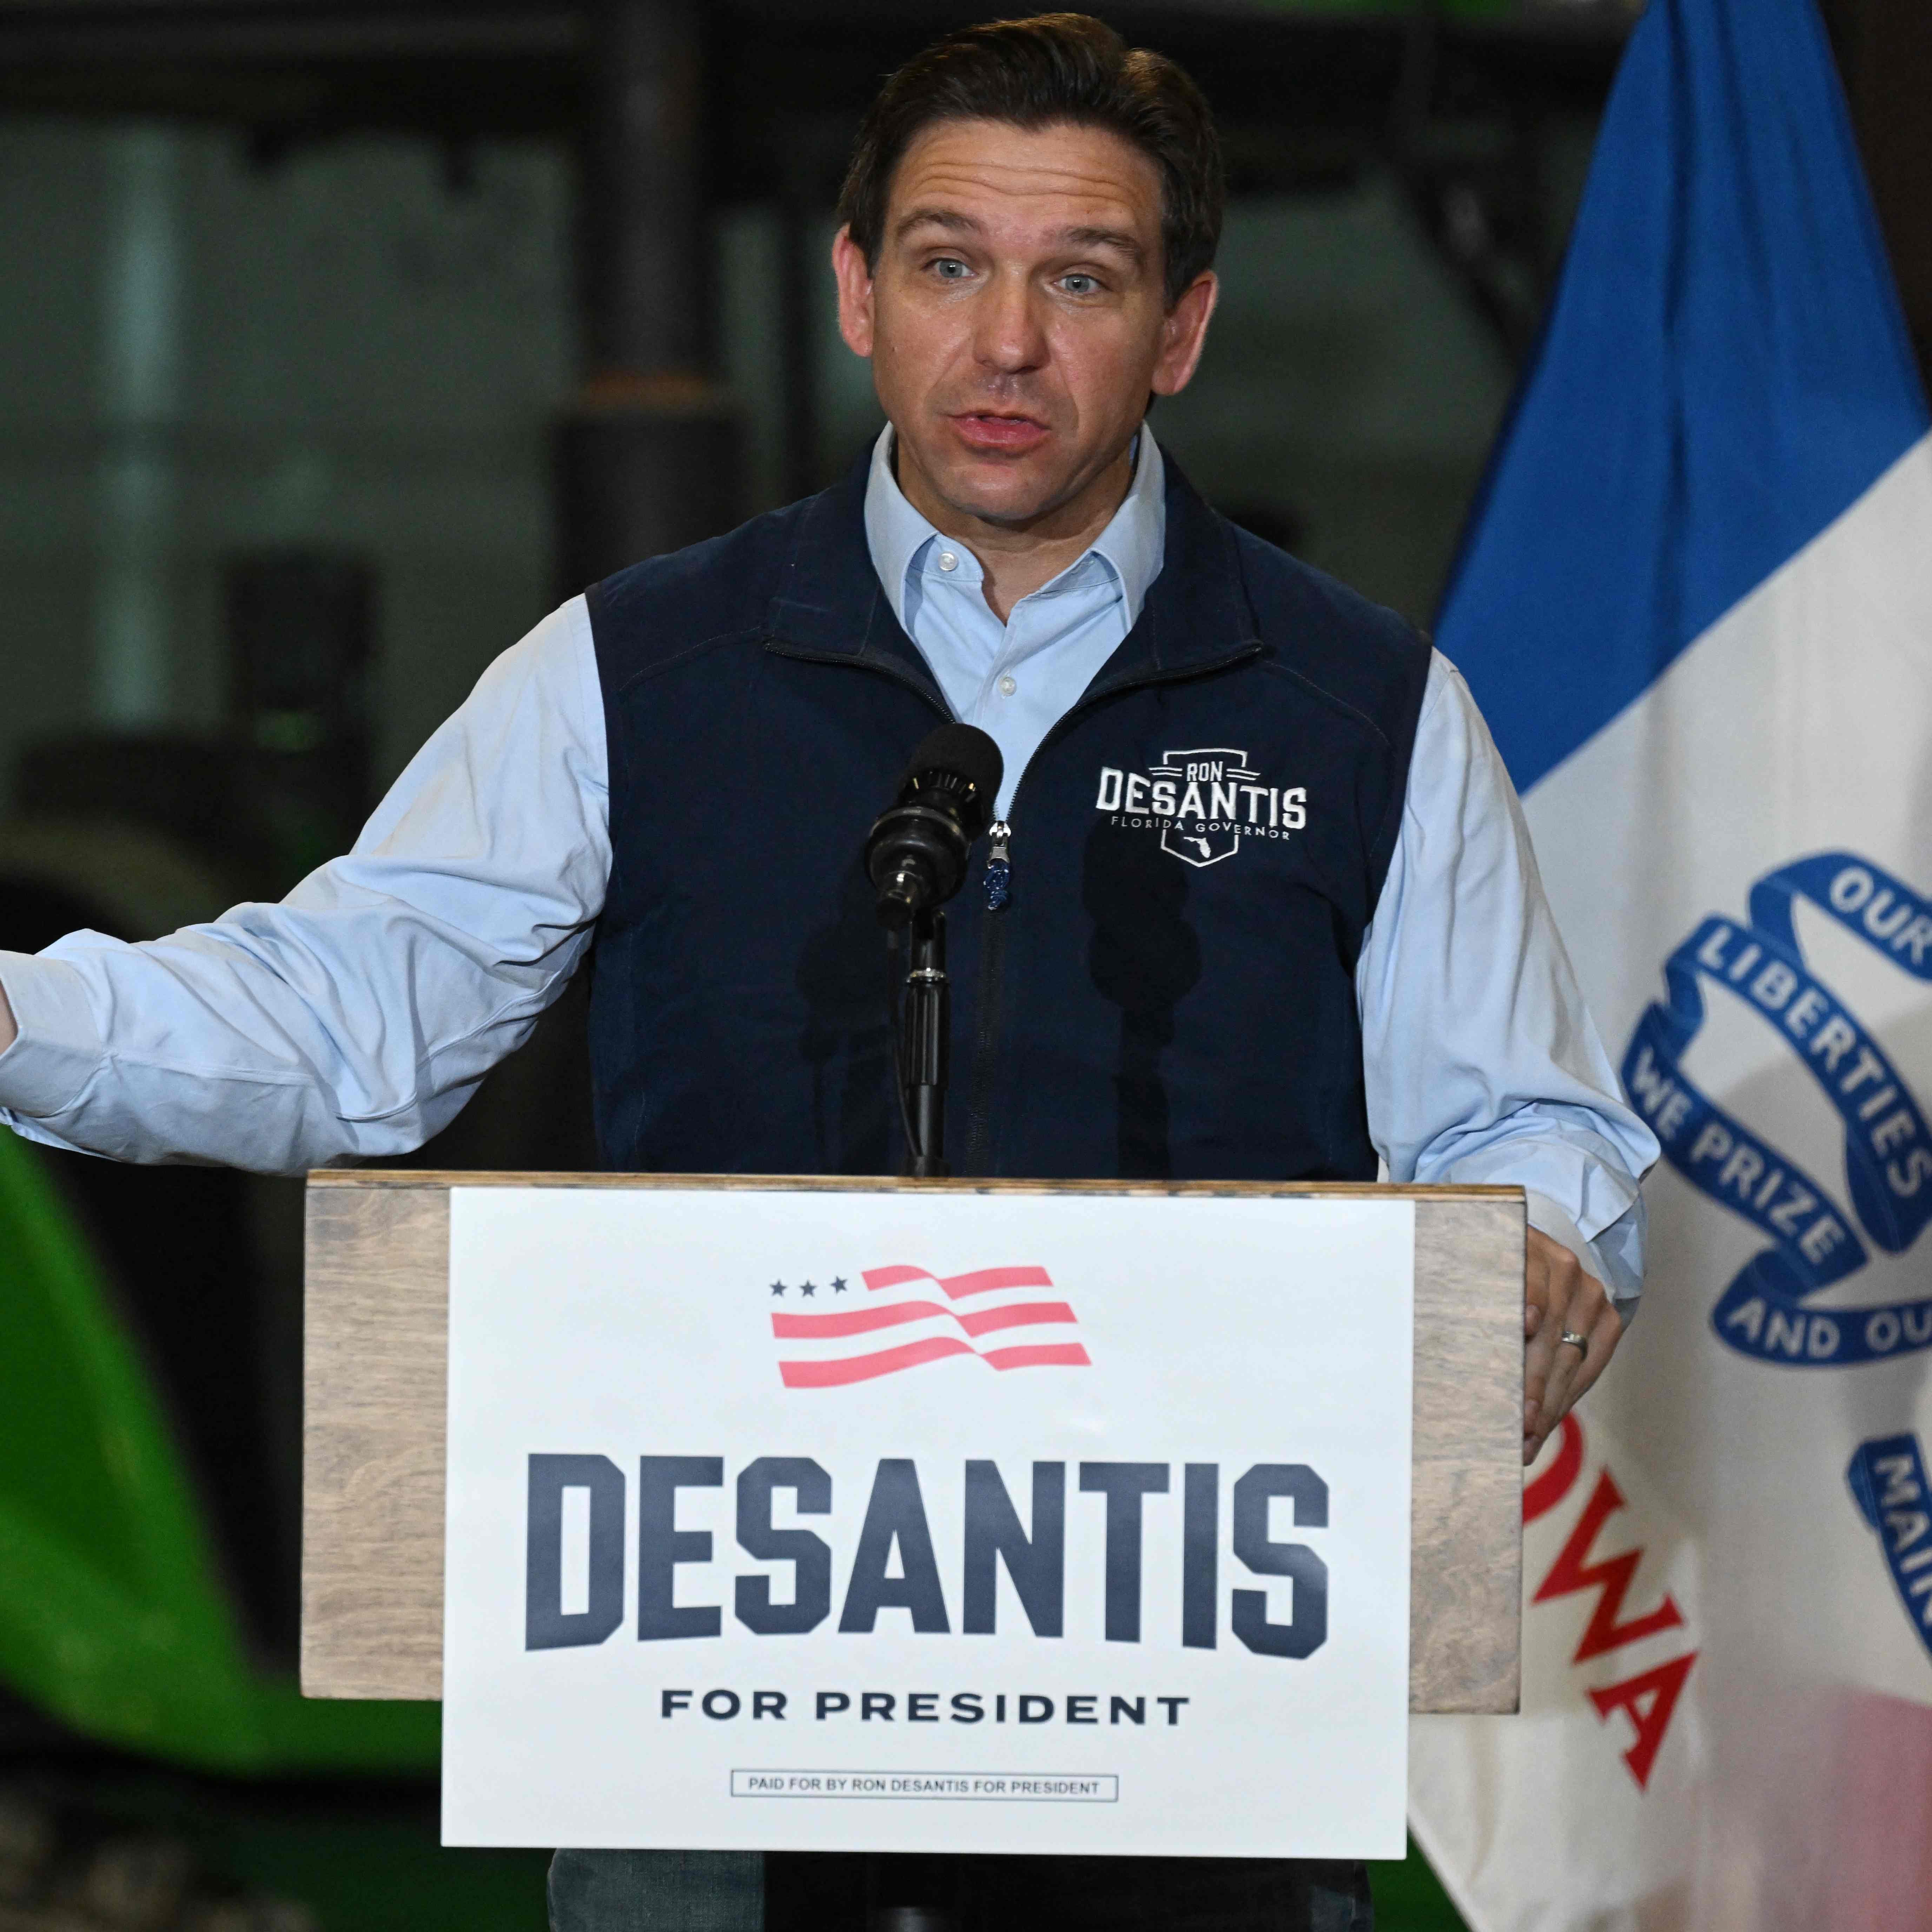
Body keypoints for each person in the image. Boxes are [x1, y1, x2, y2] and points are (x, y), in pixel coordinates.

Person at [0, 16, 1656, 1931]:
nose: (1009, 343)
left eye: (1083, 280)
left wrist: (1541, 1236)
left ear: (1182, 329)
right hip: (702, 1734)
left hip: (1195, 1745)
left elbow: (1527, 1120)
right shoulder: (638, 670)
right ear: (860, 294)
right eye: (951, 265)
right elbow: (346, 1017)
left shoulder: (1365, 708)